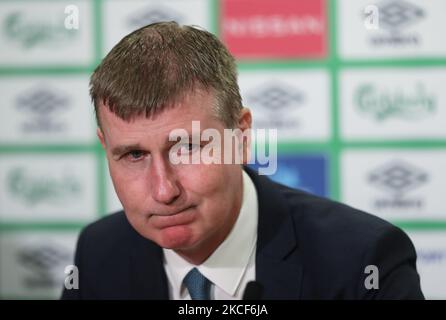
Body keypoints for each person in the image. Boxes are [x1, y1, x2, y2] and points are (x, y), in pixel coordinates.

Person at [61, 22, 424, 300]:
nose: (163, 189)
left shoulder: (363, 261)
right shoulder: (97, 253)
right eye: (134, 154)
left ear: (242, 135)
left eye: (187, 147)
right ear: (105, 146)